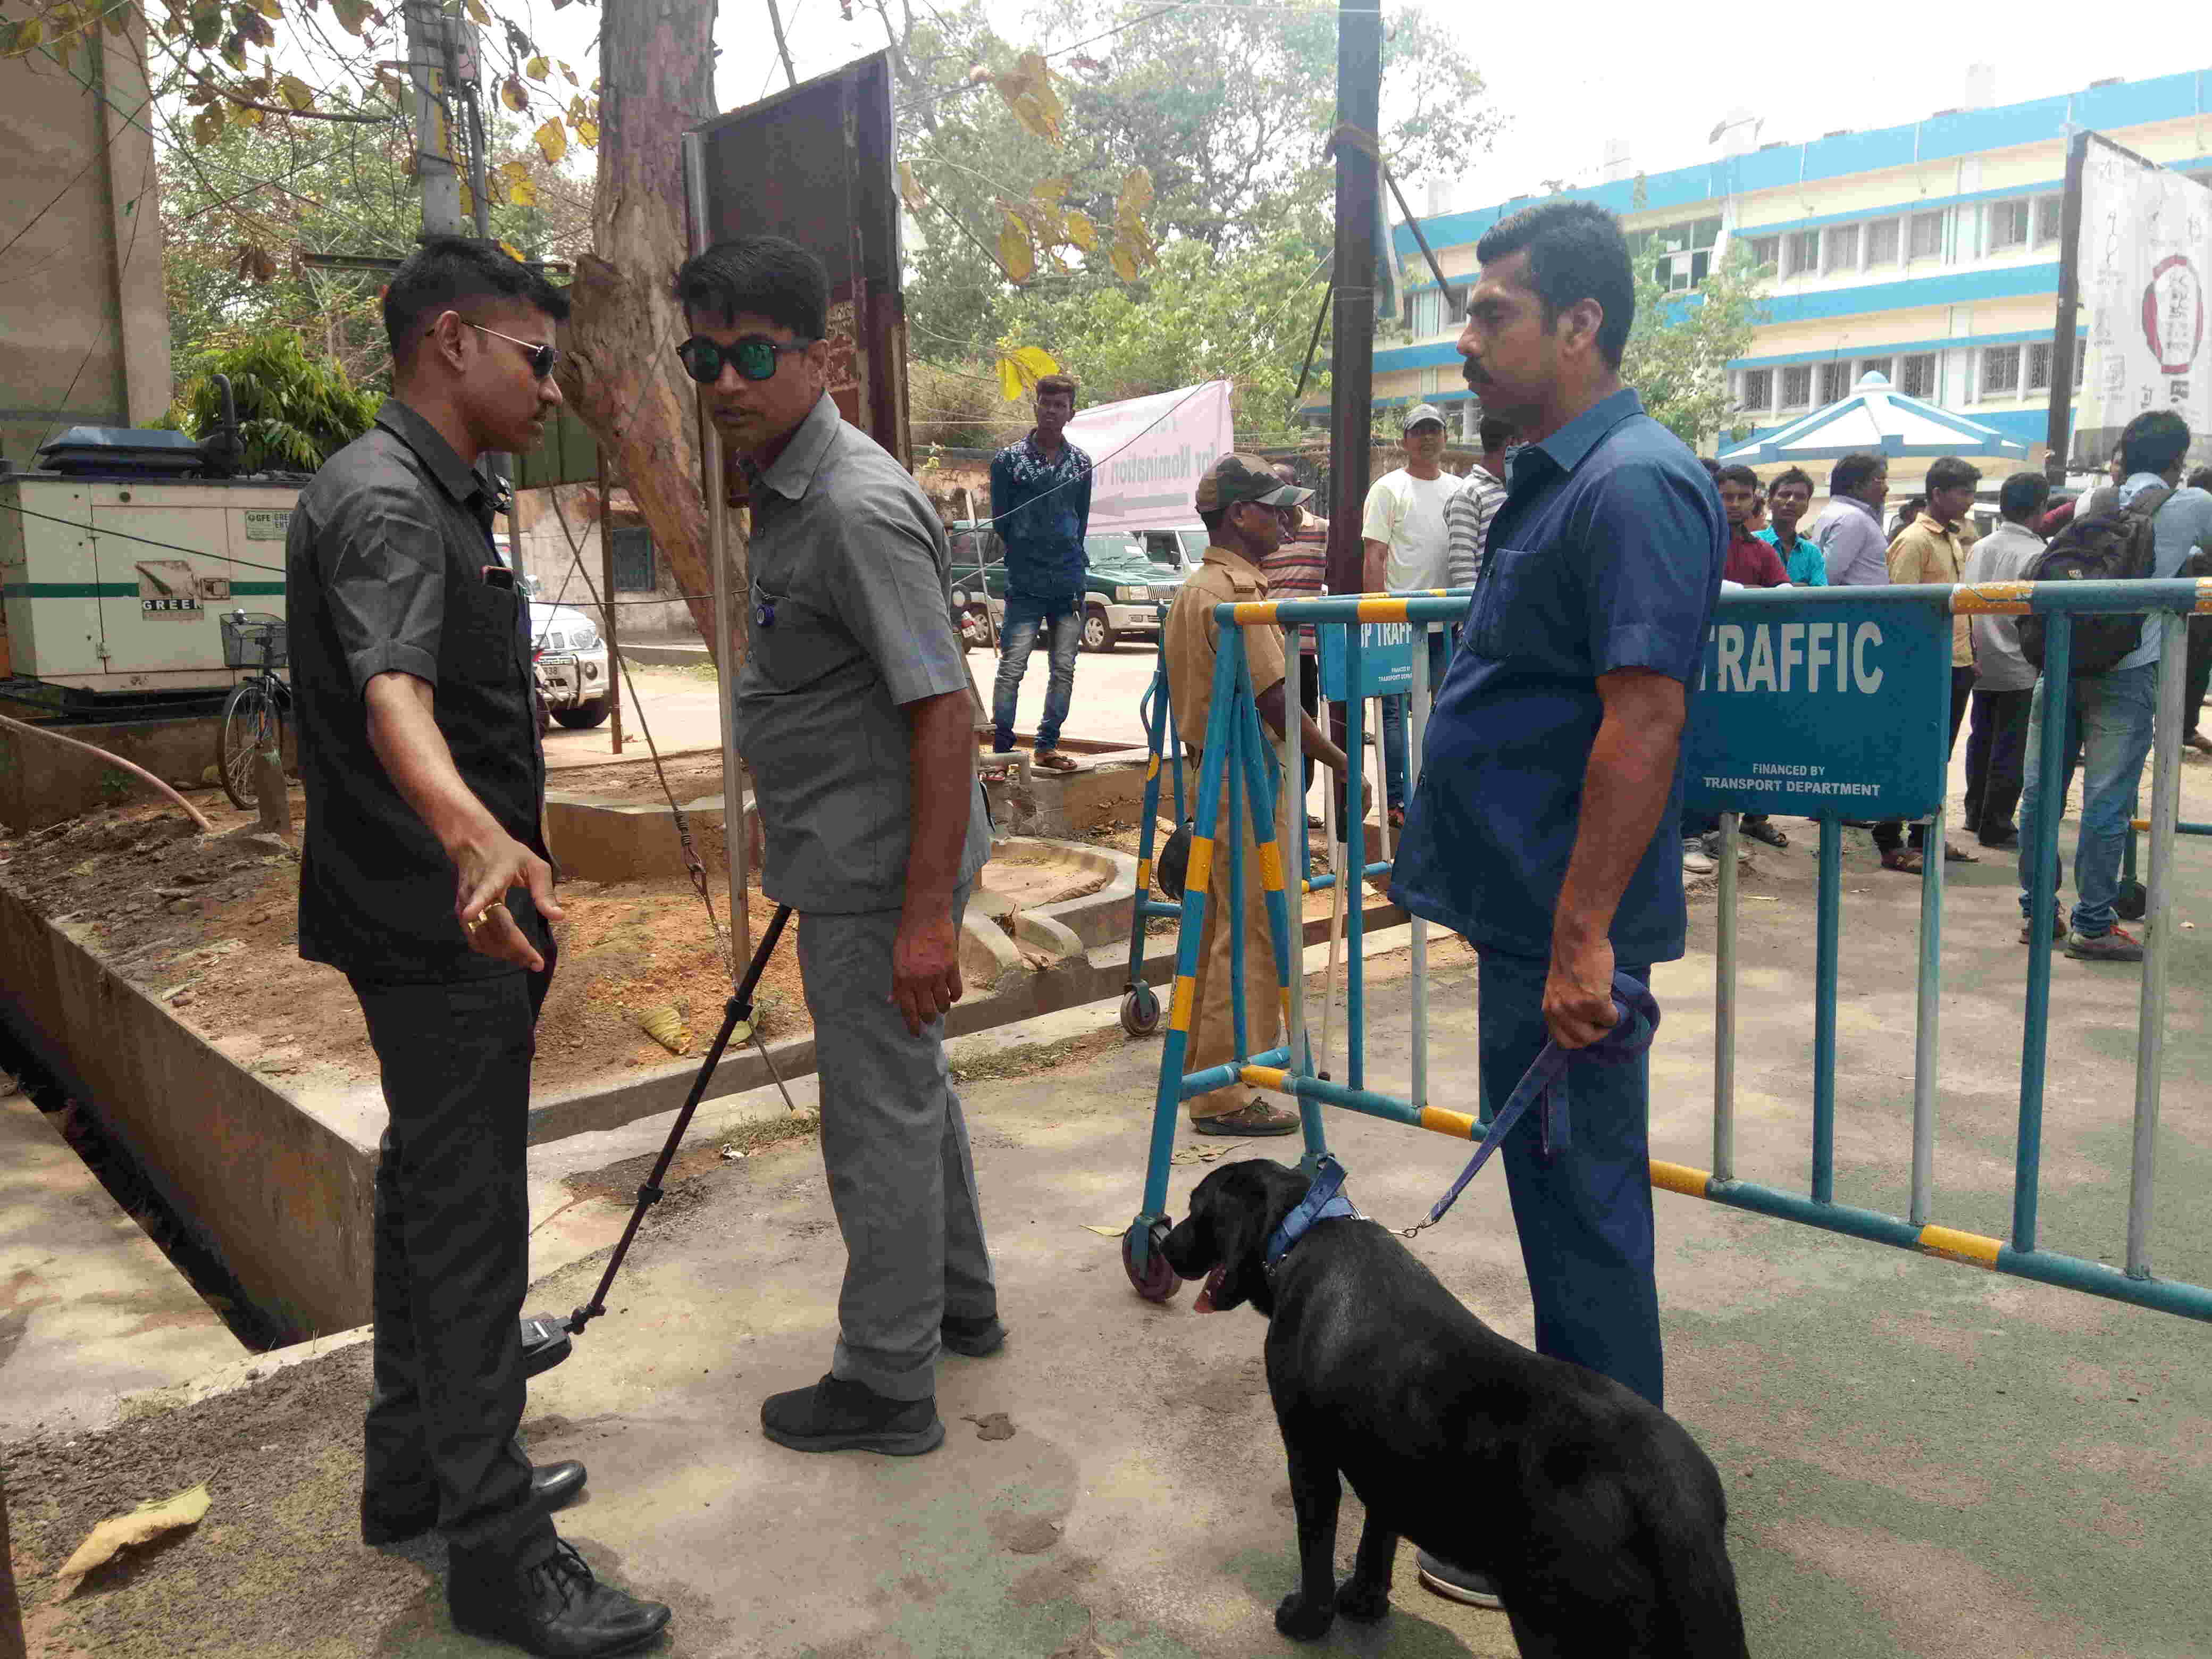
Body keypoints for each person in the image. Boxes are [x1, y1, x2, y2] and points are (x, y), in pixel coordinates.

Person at [288, 237, 669, 1656]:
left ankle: (419, 1479)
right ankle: (502, 1554)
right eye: (534, 356)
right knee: (468, 1232)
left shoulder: (421, 488)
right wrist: (475, 838)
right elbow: (395, 695)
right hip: (441, 922)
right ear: (450, 341)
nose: (549, 383)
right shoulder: (390, 502)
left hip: (427, 913)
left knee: (422, 1204)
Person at [1391, 199, 1724, 1611]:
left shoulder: (1633, 485)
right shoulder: (1557, 475)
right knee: (1557, 1217)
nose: (1466, 340)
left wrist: (1585, 937)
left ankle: (1608, 1531)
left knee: (1585, 1232)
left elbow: (1642, 719)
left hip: (1564, 937)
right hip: (1529, 923)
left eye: (1494, 315)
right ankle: (1602, 1498)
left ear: (1581, 327)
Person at [676, 236, 1000, 1449]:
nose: (723, 379)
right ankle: (958, 1305)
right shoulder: (782, 481)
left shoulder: (854, 505)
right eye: (703, 354)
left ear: (820, 358)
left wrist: (922, 918)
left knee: (877, 1112)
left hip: (885, 872)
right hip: (857, 845)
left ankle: (886, 1380)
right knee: (909, 1092)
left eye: (754, 352)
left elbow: (942, 708)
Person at [1163, 456, 1349, 1136]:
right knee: (1249, 933)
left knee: (1222, 929)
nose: (1287, 520)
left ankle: (1234, 1069)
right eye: (1272, 509)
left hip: (1216, 770)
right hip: (1242, 774)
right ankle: (1226, 1091)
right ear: (1238, 514)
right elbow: (1276, 701)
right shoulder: (1233, 596)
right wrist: (1337, 762)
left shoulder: (1201, 586)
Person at [2018, 410, 2212, 960]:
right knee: (2107, 801)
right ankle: (2093, 923)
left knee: (2039, 796)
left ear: (2122, 454)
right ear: (2178, 459)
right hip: (2125, 671)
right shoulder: (2193, 505)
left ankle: (2036, 913)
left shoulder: (2090, 503)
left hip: (2058, 661)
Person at [1878, 456, 1981, 872]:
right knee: (1910, 752)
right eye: (1964, 492)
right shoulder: (1915, 540)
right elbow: (1900, 610)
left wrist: (1969, 656)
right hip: (1924, 666)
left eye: (1972, 492)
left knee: (1937, 756)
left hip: (1954, 662)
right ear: (1937, 494)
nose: (1970, 501)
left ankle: (1924, 837)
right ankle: (1889, 839)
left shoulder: (1951, 538)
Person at [1363, 403, 1464, 825]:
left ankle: (1436, 794)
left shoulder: (1460, 489)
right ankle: (1398, 801)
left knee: (1446, 712)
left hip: (1446, 627)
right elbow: (1375, 556)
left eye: (1434, 429)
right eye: (1419, 430)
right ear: (1405, 440)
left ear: (1445, 437)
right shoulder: (1389, 488)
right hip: (1397, 625)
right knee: (1391, 717)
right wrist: (1378, 618)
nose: (1427, 437)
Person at [988, 373, 1092, 772]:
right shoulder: (1007, 461)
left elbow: (1080, 521)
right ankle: (1001, 751)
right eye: (1046, 403)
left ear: (1071, 412)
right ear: (1036, 407)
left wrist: (1062, 549)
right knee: (1012, 667)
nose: (1052, 411)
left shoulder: (1082, 463)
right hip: (1025, 581)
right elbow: (1002, 521)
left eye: (1060, 405)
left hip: (1068, 581)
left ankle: (1047, 747)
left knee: (1063, 668)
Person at [1958, 471, 2050, 850]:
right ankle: (1996, 822)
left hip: (1981, 658)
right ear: (2041, 509)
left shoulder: (1981, 546)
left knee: (1982, 737)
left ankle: (1974, 810)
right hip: (2018, 660)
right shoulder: (2037, 553)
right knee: (2011, 746)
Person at [1261, 460, 1329, 821]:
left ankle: (1297, 809)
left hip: (1304, 653)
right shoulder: (1263, 533)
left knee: (1306, 731)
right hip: (1268, 650)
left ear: (1298, 488)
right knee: (1273, 731)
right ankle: (1278, 807)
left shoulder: (1323, 531)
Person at [1444, 413, 1514, 588]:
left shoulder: (1517, 489)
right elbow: (1462, 566)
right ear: (1511, 443)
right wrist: (1479, 611)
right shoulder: (1469, 494)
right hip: (1488, 610)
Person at [1816, 452, 1891, 588]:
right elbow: (1827, 579)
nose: (1887, 488)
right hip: (1859, 608)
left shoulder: (1838, 512)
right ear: (1857, 486)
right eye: (1880, 480)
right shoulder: (1852, 518)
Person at [1716, 465, 1789, 588]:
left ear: (1754, 501)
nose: (1735, 504)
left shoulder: (1764, 551)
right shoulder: (1699, 545)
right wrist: (1751, 589)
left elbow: (1785, 594)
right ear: (1714, 498)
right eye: (1728, 497)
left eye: (1744, 497)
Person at [1755, 466, 1827, 586]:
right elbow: (1741, 590)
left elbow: (1820, 597)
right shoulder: (1751, 543)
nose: (1791, 501)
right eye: (1785, 495)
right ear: (1770, 502)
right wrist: (1802, 586)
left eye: (1800, 497)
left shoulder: (1812, 553)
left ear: (1807, 507)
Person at [2186, 465, 2212, 756]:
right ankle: (2183, 729)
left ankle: (2184, 726)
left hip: (2197, 614)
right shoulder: (2198, 518)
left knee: (2196, 672)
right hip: (2194, 614)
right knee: (2193, 670)